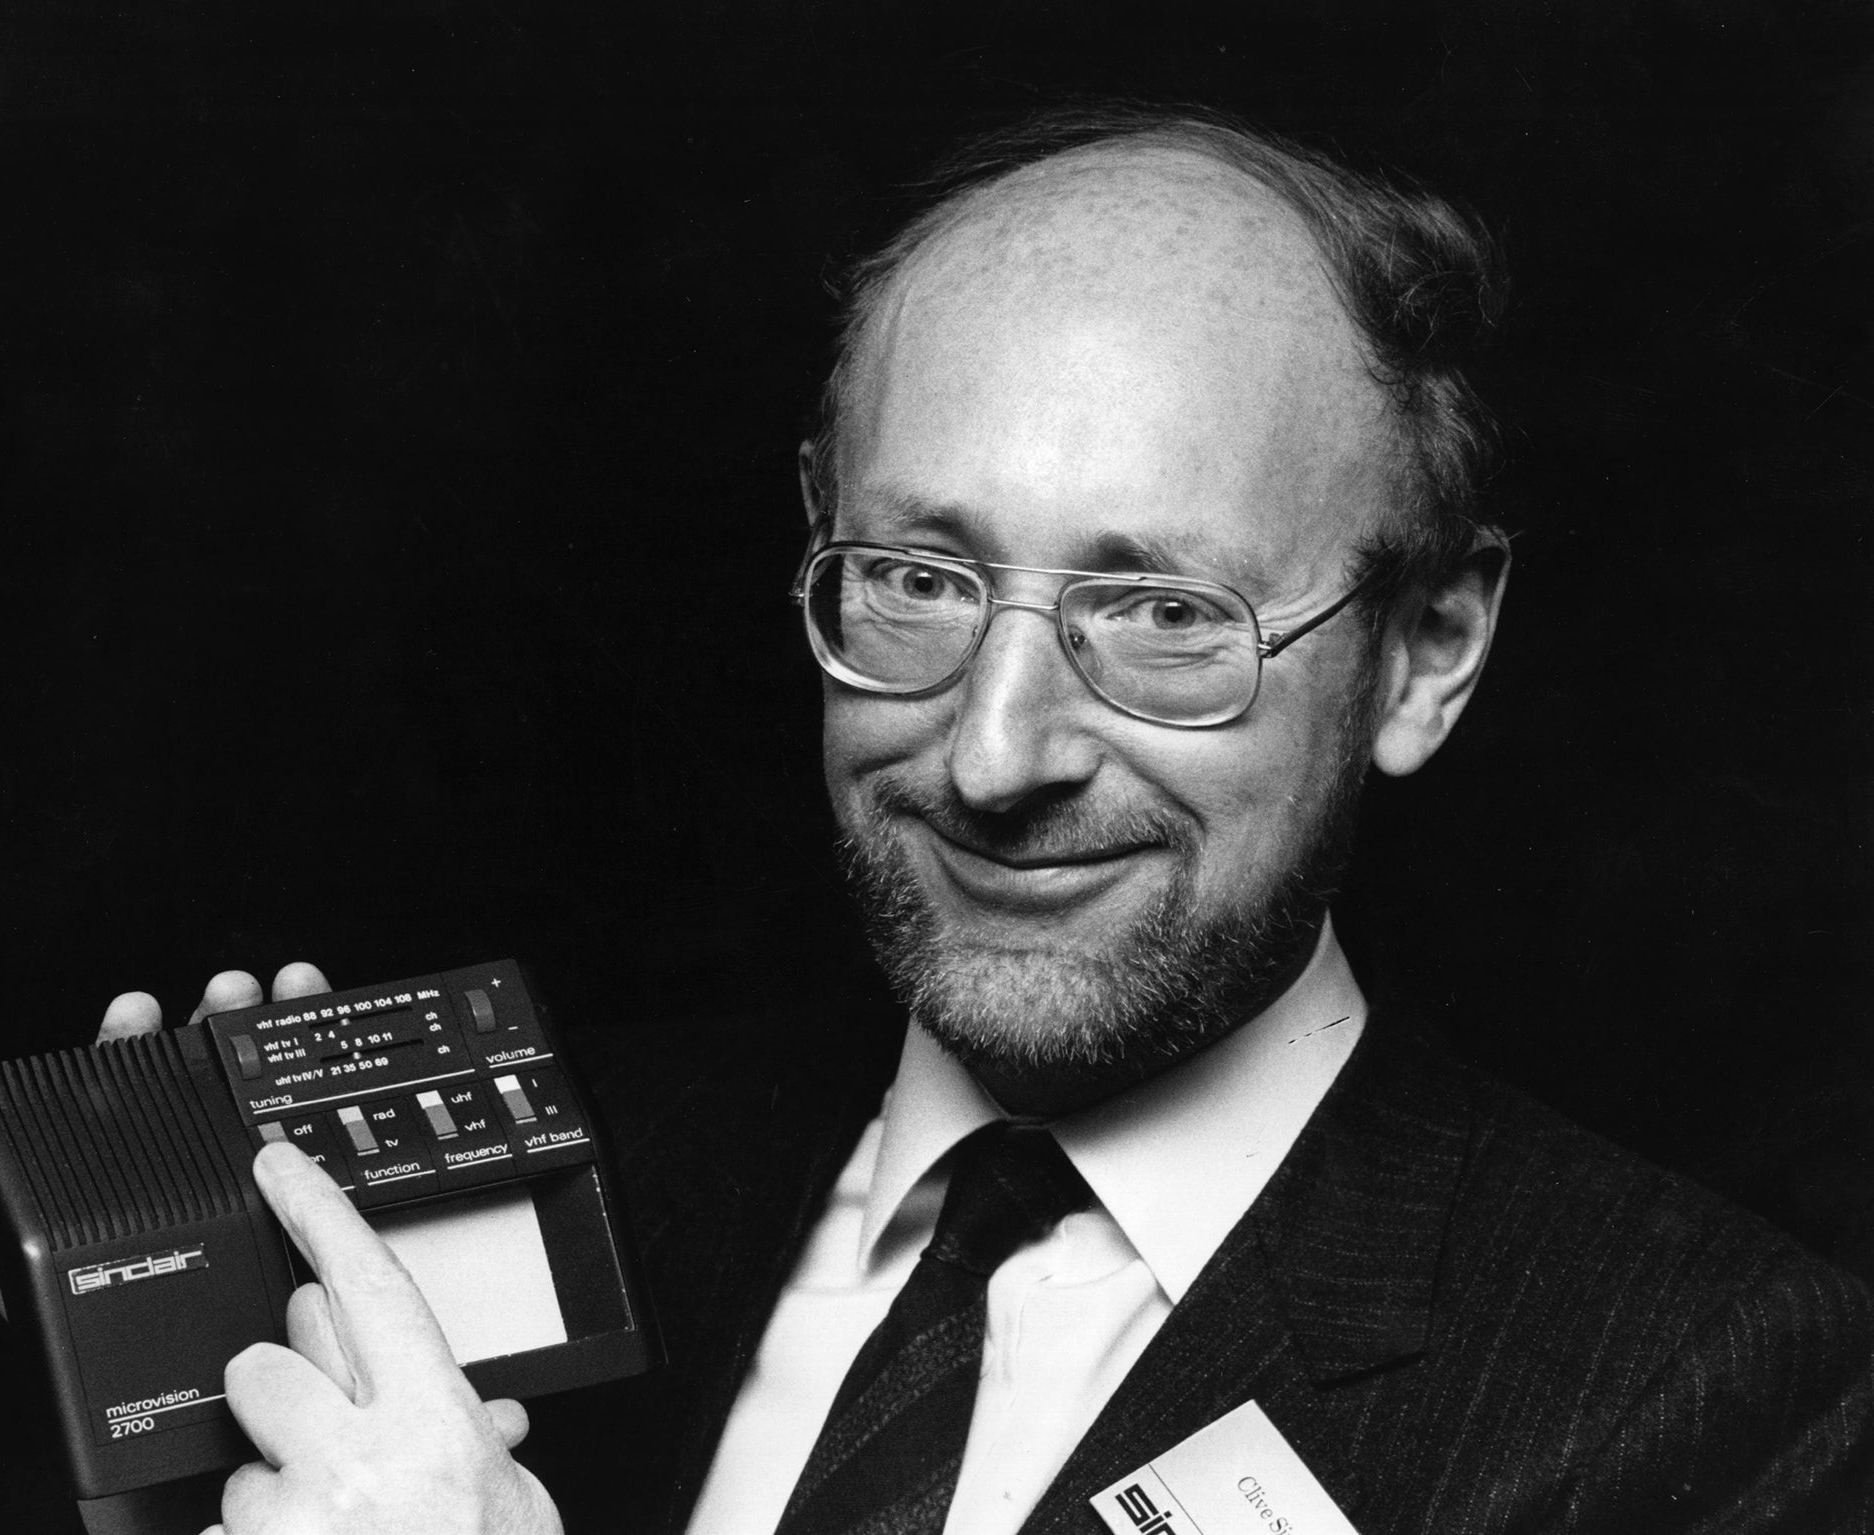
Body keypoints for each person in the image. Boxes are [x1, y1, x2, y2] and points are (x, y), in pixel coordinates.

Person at [93, 108, 1873, 1533]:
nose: (995, 755)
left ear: (1427, 651)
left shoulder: (1716, 1395)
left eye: (1168, 615)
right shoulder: (597, 1163)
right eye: (919, 578)